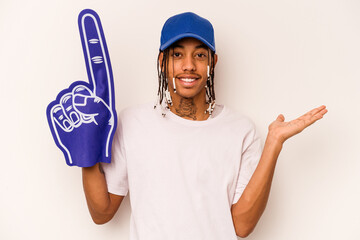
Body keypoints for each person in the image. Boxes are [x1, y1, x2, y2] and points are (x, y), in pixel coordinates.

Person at [81, 12, 327, 239]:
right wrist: (85, 151)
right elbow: (102, 214)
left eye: (199, 55)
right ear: (162, 61)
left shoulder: (241, 130)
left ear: (213, 61)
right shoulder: (132, 122)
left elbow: (242, 226)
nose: (189, 65)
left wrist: (274, 143)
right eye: (177, 54)